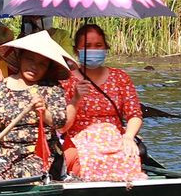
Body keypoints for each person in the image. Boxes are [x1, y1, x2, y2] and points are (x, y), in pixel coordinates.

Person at [0, 32, 77, 180]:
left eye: (42, 64)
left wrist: (44, 111)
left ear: (48, 67)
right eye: (30, 59)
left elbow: (60, 122)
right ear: (20, 57)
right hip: (8, 158)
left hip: (43, 158)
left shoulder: (52, 89)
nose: (34, 67)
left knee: (23, 175)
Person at [60, 22, 145, 182]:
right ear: (76, 51)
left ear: (106, 48)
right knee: (87, 159)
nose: (93, 50)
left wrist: (128, 137)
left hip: (114, 136)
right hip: (80, 138)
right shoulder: (67, 80)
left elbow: (134, 114)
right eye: (87, 45)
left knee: (128, 155)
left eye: (98, 45)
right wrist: (76, 99)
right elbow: (61, 126)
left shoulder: (120, 78)